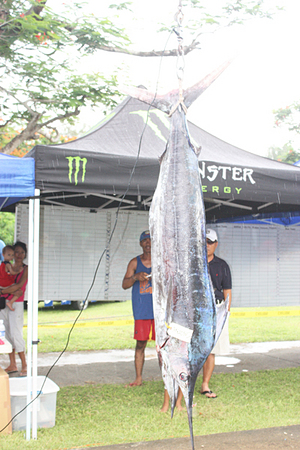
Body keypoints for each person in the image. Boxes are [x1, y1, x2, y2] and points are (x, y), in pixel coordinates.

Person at [200, 229, 232, 399]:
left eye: (210, 242)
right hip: (198, 311)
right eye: (203, 241)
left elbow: (227, 291)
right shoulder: (193, 263)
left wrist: (225, 313)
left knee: (211, 350)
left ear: (216, 244)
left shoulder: (222, 265)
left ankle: (205, 384)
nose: (206, 245)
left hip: (217, 309)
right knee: (195, 349)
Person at [122, 230, 155, 387]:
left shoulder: (161, 261)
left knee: (162, 346)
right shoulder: (134, 263)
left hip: (160, 312)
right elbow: (124, 285)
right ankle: (138, 378)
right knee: (140, 344)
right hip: (142, 311)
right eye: (145, 240)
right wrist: (135, 277)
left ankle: (166, 378)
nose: (148, 243)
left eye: (151, 240)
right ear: (141, 243)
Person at [0, 242, 28, 376]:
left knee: (16, 333)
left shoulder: (25, 269)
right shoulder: (6, 266)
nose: (19, 255)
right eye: (16, 252)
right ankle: (12, 364)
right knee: (6, 333)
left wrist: (1, 291)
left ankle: (24, 364)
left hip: (16, 303)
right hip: (4, 302)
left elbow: (18, 286)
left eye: (22, 252)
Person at [0, 245, 23, 311]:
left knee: (14, 291)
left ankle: (10, 294)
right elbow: (12, 272)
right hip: (6, 283)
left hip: (1, 283)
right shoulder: (7, 264)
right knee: (19, 291)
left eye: (12, 255)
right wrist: (19, 271)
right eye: (9, 255)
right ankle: (10, 302)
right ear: (3, 254)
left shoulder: (2, 264)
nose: (11, 257)